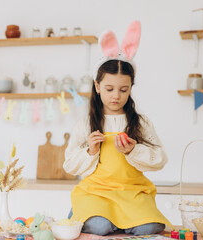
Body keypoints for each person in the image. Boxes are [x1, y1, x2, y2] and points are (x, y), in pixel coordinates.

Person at [63, 20, 173, 236]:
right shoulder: (86, 123)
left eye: (123, 89)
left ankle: (120, 221)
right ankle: (90, 214)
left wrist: (134, 150)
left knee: (150, 227)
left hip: (132, 193)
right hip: (96, 193)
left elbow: (160, 158)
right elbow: (69, 165)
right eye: (109, 88)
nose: (116, 96)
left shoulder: (140, 122)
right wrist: (90, 151)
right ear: (97, 86)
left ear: (131, 87)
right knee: (100, 226)